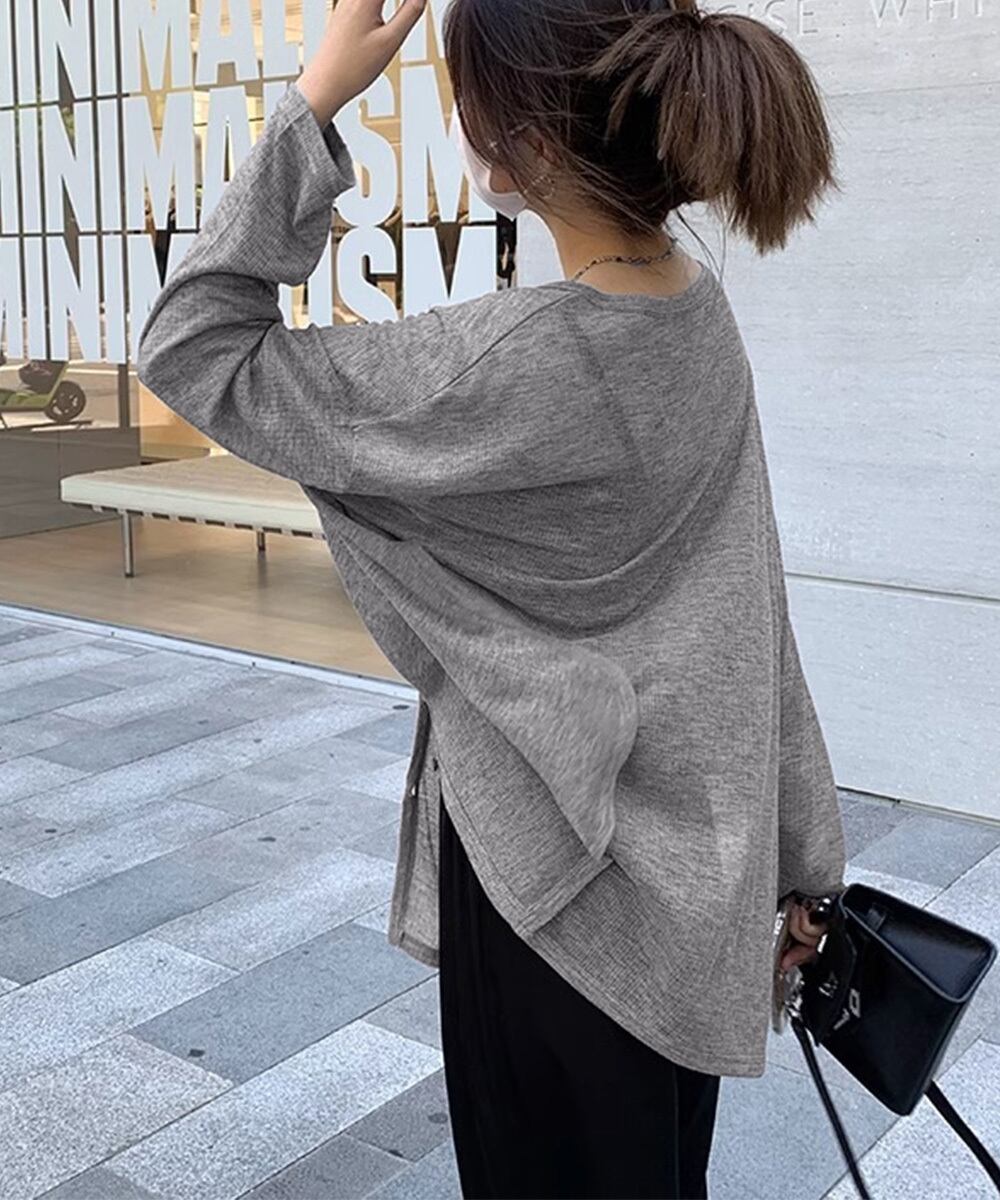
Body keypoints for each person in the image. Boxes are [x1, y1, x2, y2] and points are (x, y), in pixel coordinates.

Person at [136, 0, 848, 1196]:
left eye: (462, 92)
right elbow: (748, 607)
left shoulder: (503, 362)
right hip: (692, 898)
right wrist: (803, 860)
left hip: (551, 896)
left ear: (525, 140)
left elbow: (194, 346)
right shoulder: (693, 313)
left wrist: (314, 103)